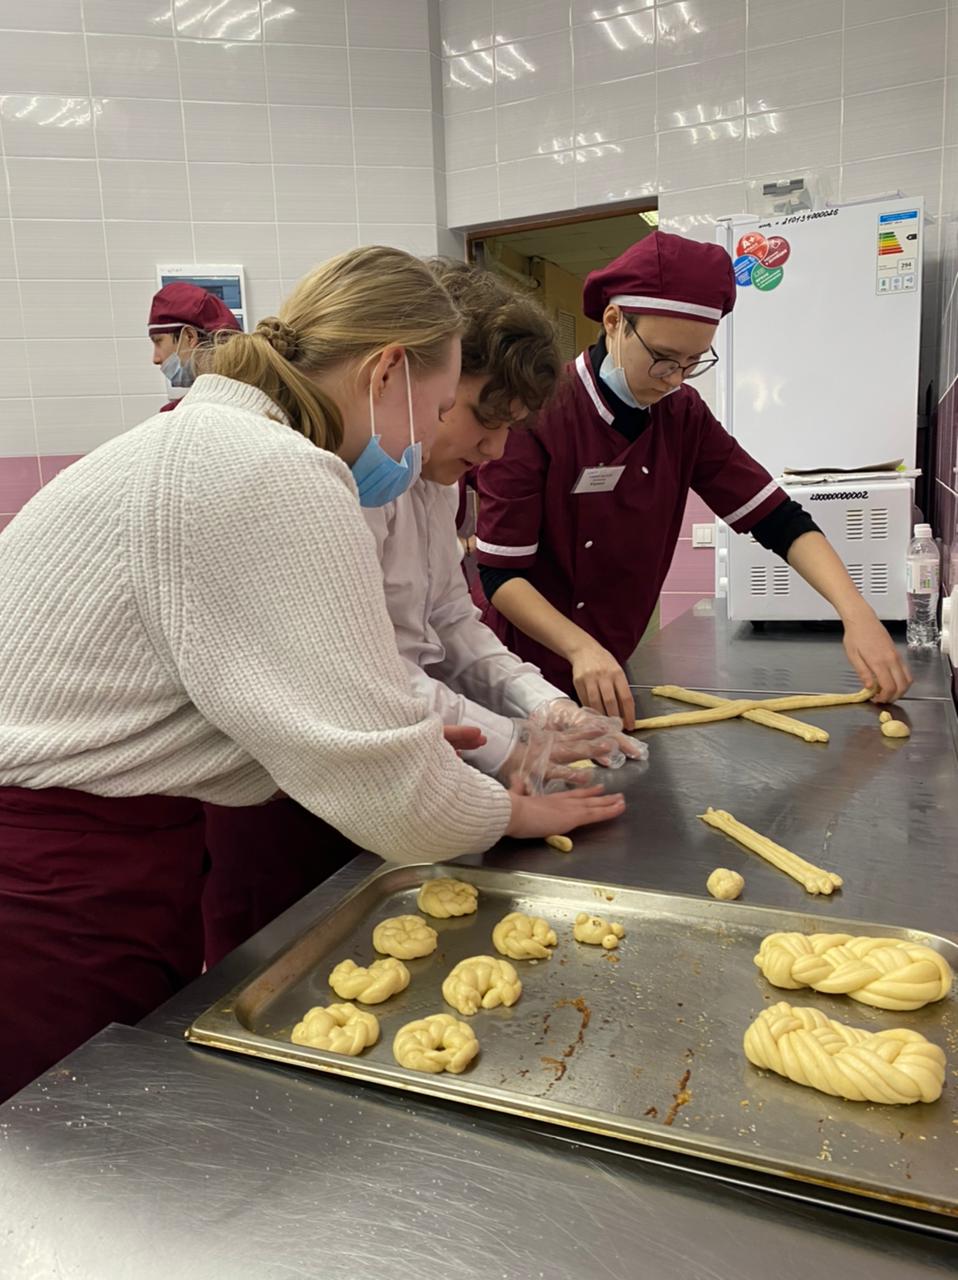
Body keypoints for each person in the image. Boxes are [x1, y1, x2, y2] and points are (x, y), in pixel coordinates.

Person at [0, 246, 624, 1101]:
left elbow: (238, 682)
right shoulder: (275, 469)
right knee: (63, 1134)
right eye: (442, 408)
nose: (431, 439)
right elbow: (396, 803)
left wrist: (390, 729)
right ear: (386, 372)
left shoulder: (214, 441)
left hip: (102, 842)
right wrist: (507, 806)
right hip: (47, 882)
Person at [201, 259, 639, 968]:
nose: (494, 450)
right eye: (471, 418)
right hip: (280, 794)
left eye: (512, 430)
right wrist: (510, 750)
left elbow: (452, 621)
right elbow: (371, 674)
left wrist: (543, 707)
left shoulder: (430, 480)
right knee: (281, 964)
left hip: (385, 765)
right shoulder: (318, 479)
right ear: (405, 378)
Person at [472, 231, 912, 724]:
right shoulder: (541, 411)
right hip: (519, 674)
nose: (675, 378)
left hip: (610, 664)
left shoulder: (683, 415)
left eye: (692, 362)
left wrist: (856, 612)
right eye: (662, 357)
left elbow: (777, 518)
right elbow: (500, 574)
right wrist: (581, 650)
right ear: (614, 322)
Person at [148, 281, 241, 412]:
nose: (155, 359)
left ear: (189, 336)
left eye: (158, 341)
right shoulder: (262, 404)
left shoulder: (176, 417)